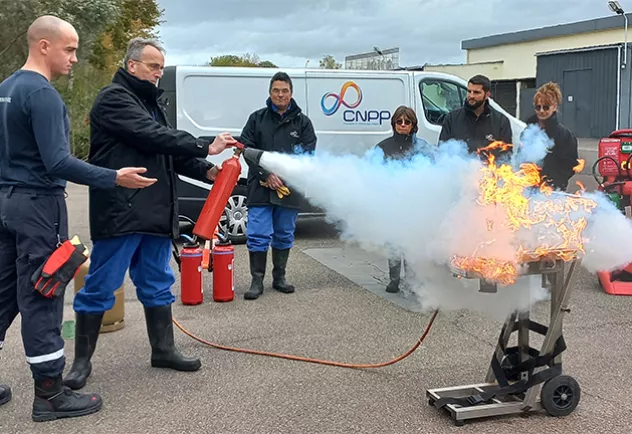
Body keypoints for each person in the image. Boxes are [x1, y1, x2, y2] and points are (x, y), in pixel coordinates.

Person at [0, 16, 156, 422]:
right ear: (44, 46)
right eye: (69, 49)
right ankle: (50, 394)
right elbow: (57, 161)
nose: (74, 57)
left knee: (2, 294)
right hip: (37, 206)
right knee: (42, 293)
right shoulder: (43, 94)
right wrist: (113, 178)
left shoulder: (6, 90)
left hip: (6, 203)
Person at [63, 38, 237, 390]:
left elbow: (167, 148)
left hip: (156, 213)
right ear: (131, 66)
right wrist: (205, 144)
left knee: (158, 283)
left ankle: (164, 350)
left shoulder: (152, 103)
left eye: (160, 66)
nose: (159, 72)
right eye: (153, 66)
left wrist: (205, 168)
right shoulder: (113, 99)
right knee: (101, 286)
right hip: (123, 212)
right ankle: (80, 364)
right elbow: (153, 136)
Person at [240, 72, 317, 300]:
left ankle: (280, 277)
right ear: (270, 92)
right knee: (257, 234)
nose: (280, 94)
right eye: (276, 90)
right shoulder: (256, 119)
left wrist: (284, 175)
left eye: (284, 90)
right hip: (260, 187)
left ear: (291, 93)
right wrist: (266, 174)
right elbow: (246, 150)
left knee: (284, 234)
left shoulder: (303, 123)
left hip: (289, 188)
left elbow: (308, 155)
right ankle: (256, 281)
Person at [375, 106, 429, 293]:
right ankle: (394, 279)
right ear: (394, 124)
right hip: (392, 204)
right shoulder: (382, 147)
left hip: (415, 203)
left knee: (412, 243)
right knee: (394, 242)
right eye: (399, 121)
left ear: (414, 125)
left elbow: (433, 175)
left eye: (407, 122)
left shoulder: (422, 147)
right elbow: (372, 176)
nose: (403, 125)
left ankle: (413, 281)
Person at [439, 74, 513, 160]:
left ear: (487, 95)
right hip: (458, 171)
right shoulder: (452, 118)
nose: (471, 96)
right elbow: (442, 150)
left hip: (488, 171)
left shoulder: (500, 121)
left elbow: (506, 155)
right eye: (469, 91)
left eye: (476, 92)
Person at [525, 82, 579, 191]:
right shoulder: (527, 131)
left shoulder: (564, 135)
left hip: (553, 193)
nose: (541, 111)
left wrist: (553, 184)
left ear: (554, 107)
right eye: (537, 107)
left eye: (545, 107)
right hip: (528, 190)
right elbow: (520, 158)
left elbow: (570, 165)